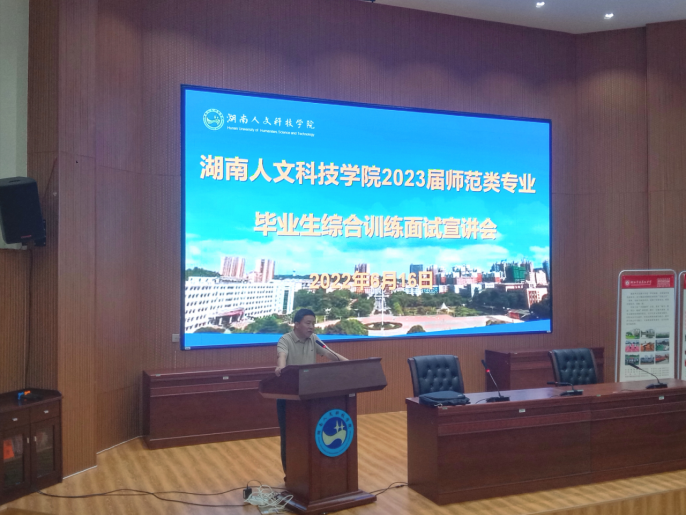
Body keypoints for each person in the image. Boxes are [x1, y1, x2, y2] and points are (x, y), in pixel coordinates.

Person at [275, 308, 348, 478]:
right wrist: (281, 368)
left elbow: (330, 354)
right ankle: (290, 474)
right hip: (289, 397)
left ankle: (309, 472)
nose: (311, 327)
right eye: (308, 323)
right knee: (290, 436)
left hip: (309, 396)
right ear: (296, 324)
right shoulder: (285, 339)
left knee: (311, 433)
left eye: (313, 323)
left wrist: (351, 364)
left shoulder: (314, 339)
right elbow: (282, 357)